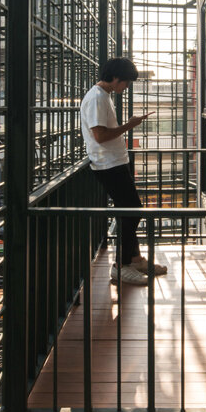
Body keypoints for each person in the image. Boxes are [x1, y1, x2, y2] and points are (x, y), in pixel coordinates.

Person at [80, 57, 168, 286]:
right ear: (116, 77)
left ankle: (134, 259)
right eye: (126, 82)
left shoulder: (102, 96)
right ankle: (120, 266)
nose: (126, 87)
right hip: (108, 164)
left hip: (114, 162)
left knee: (131, 211)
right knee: (132, 212)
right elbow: (99, 136)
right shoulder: (97, 98)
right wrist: (130, 125)